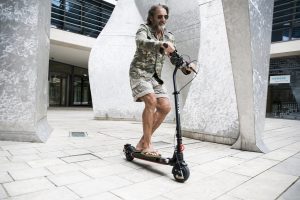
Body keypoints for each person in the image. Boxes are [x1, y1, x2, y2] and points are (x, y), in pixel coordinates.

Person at [129, 4, 193, 157]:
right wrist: (162, 45)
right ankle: (148, 146)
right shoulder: (144, 29)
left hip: (154, 77)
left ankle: (142, 142)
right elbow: (140, 42)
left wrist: (186, 67)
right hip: (139, 73)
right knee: (151, 101)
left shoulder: (169, 36)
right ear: (151, 17)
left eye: (165, 16)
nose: (163, 19)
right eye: (159, 16)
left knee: (165, 107)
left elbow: (173, 57)